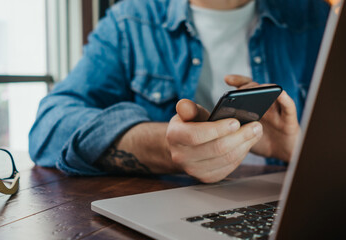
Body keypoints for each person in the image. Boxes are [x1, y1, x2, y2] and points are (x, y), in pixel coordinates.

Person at [29, 0, 330, 183]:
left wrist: (298, 152)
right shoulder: (130, 21)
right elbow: (47, 129)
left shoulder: (318, 18)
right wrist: (163, 146)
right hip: (167, 205)